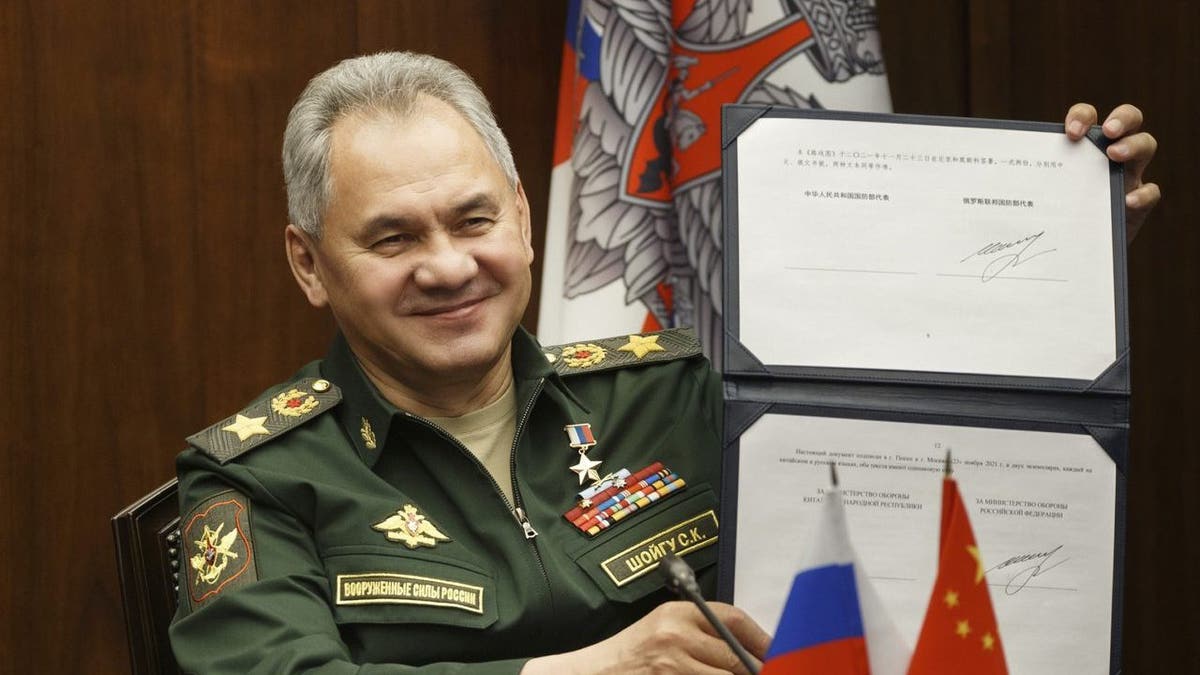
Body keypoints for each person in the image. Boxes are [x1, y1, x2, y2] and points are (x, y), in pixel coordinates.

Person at [168, 52, 1158, 674]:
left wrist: (1060, 260)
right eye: (391, 240)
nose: (447, 266)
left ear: (521, 213)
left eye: (474, 219)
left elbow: (896, 411)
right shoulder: (257, 474)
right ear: (309, 263)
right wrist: (589, 673)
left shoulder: (666, 391)